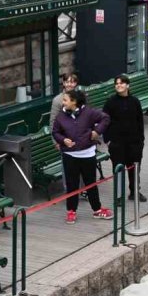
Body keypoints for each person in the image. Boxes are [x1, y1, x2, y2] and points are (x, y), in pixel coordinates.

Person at [52, 89, 113, 224]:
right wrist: (63, 140)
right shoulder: (61, 116)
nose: (63, 103)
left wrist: (97, 132)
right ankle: (71, 211)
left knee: (91, 183)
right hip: (69, 155)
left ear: (74, 102)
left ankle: (97, 210)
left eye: (65, 100)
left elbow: (105, 118)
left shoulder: (89, 112)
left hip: (87, 154)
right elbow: (55, 132)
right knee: (71, 184)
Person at [103, 74, 146, 202]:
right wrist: (108, 140)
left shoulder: (135, 101)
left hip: (134, 142)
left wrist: (141, 140)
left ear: (128, 85)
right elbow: (104, 121)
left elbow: (140, 121)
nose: (119, 85)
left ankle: (134, 192)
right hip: (117, 143)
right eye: (117, 83)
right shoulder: (110, 102)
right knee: (119, 169)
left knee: (134, 169)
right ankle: (119, 196)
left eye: (121, 83)